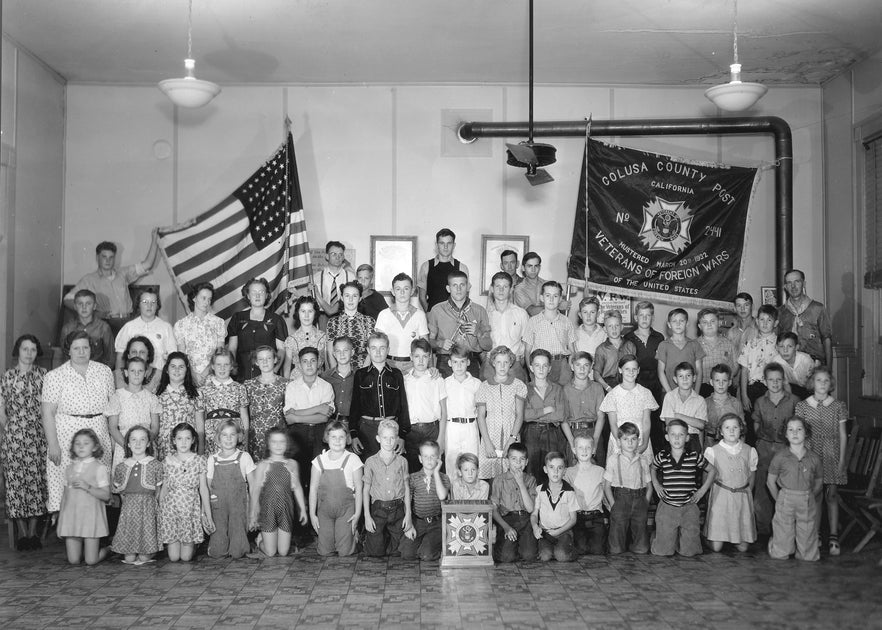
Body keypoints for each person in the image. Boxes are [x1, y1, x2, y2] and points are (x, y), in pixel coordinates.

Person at [42, 330, 115, 515]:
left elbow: (113, 408)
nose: (81, 352)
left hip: (98, 435)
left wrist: (113, 439)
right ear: (68, 350)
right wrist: (53, 445)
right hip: (67, 437)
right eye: (76, 348)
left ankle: (95, 526)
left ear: (91, 349)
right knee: (67, 484)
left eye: (85, 347)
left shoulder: (104, 371)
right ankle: (67, 525)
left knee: (97, 482)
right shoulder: (55, 376)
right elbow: (47, 413)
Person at [0, 334, 48, 550]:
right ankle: (21, 532)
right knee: (15, 483)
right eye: (25, 349)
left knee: (37, 482)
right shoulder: (7, 377)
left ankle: (33, 532)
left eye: (33, 349)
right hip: (14, 439)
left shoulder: (44, 375)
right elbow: (1, 410)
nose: (29, 353)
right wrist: (13, 429)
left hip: (38, 437)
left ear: (37, 352)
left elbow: (49, 407)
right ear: (17, 351)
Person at [794, 365, 848, 556]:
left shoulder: (838, 406)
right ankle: (815, 535)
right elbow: (799, 434)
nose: (823, 384)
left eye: (826, 380)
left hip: (832, 453)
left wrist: (842, 460)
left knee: (831, 495)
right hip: (812, 453)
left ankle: (833, 537)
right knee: (815, 495)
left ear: (830, 383)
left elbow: (843, 435)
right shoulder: (802, 406)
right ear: (812, 383)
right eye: (819, 380)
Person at [63, 235, 161, 335]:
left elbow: (147, 264)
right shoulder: (89, 279)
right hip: (107, 324)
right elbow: (67, 300)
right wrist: (91, 312)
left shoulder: (123, 273)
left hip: (129, 322)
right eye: (104, 257)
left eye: (111, 257)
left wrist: (154, 240)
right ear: (97, 258)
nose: (108, 260)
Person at [650, 419, 715, 557]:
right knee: (663, 552)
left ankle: (680, 538)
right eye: (673, 434)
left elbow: (712, 470)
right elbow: (652, 468)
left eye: (681, 435)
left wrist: (702, 491)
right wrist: (656, 484)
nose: (677, 438)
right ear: (667, 437)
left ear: (687, 438)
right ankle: (659, 537)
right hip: (668, 506)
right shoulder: (662, 456)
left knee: (690, 552)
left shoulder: (694, 457)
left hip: (688, 506)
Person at [767, 417, 823, 561]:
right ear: (785, 434)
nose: (795, 433)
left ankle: (805, 552)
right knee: (783, 530)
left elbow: (819, 481)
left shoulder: (814, 458)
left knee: (807, 530)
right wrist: (779, 499)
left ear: (806, 433)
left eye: (799, 429)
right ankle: (779, 548)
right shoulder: (780, 457)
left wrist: (809, 496)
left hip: (806, 498)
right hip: (786, 497)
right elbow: (770, 481)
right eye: (790, 430)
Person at [752, 362, 798, 537]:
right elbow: (756, 423)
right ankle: (764, 530)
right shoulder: (760, 402)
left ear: (783, 380)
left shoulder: (793, 401)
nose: (775, 383)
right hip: (764, 449)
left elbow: (799, 426)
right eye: (771, 380)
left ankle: (786, 528)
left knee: (786, 489)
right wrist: (760, 433)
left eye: (778, 379)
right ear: (765, 381)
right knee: (762, 489)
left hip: (785, 450)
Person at [349, 332, 411, 461]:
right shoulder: (360, 375)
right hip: (367, 429)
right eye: (373, 348)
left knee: (391, 466)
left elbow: (403, 406)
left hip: (392, 429)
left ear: (388, 350)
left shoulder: (396, 374)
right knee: (369, 466)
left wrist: (402, 435)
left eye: (382, 348)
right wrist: (354, 434)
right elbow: (354, 406)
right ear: (368, 350)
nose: (378, 352)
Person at [249, 428, 307, 558]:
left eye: (282, 442)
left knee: (283, 552)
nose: (278, 445)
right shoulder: (262, 465)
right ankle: (260, 540)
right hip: (268, 510)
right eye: (274, 442)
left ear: (287, 444)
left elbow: (297, 487)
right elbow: (256, 490)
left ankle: (279, 540)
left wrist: (303, 509)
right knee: (270, 552)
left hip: (286, 510)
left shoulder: (292, 464)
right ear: (268, 444)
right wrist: (253, 513)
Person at [284, 346, 335, 494]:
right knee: (299, 473)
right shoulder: (292, 386)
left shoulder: (326, 386)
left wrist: (297, 415)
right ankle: (301, 507)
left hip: (320, 431)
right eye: (305, 361)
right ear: (299, 364)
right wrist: (318, 407)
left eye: (313, 360)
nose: (309, 365)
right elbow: (289, 419)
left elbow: (324, 417)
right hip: (298, 433)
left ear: (319, 362)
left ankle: (316, 507)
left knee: (319, 472)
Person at [159, 423, 212, 562]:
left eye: (187, 438)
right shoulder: (167, 461)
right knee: (174, 558)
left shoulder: (199, 460)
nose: (183, 442)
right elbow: (164, 488)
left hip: (189, 510)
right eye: (179, 438)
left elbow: (203, 488)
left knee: (186, 557)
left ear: (193, 440)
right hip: (171, 511)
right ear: (173, 440)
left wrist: (207, 514)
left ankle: (195, 544)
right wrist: (160, 510)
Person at [56, 428, 110, 565]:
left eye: (86, 443)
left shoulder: (99, 468)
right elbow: (65, 497)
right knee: (73, 560)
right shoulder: (69, 469)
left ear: (95, 447)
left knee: (91, 561)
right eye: (77, 443)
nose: (81, 446)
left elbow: (106, 495)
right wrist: (61, 522)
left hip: (91, 518)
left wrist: (88, 487)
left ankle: (108, 549)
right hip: (72, 518)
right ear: (73, 447)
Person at [704, 414, 757, 552]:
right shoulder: (713, 451)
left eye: (735, 427)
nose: (731, 431)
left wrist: (747, 493)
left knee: (743, 548)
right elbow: (707, 478)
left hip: (741, 498)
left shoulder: (749, 450)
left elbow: (751, 475)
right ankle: (709, 537)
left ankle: (733, 537)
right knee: (716, 548)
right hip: (721, 498)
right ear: (721, 431)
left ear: (741, 429)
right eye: (727, 428)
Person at [310, 421, 363, 557]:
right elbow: (313, 489)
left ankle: (355, 537)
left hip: (346, 510)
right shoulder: (319, 461)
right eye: (333, 437)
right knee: (325, 552)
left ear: (347, 438)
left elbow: (359, 488)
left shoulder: (353, 459)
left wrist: (357, 514)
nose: (337, 441)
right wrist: (312, 514)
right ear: (327, 438)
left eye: (341, 437)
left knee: (345, 552)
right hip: (324, 511)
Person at [111, 425, 162, 565]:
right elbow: (121, 493)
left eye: (142, 439)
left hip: (148, 507)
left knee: (144, 558)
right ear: (128, 444)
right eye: (133, 440)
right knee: (129, 558)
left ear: (148, 443)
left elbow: (158, 491)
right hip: (129, 509)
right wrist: (128, 505)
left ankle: (149, 551)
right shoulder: (122, 467)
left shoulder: (155, 465)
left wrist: (154, 507)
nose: (138, 443)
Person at [428, 270, 492, 378]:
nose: (458, 289)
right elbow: (429, 341)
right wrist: (440, 344)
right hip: (445, 361)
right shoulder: (437, 310)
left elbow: (488, 346)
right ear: (448, 288)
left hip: (470, 361)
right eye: (454, 285)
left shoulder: (480, 311)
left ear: (468, 287)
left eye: (462, 285)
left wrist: (478, 333)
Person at [476, 345, 527, 480]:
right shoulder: (484, 386)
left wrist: (512, 439)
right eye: (499, 362)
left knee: (512, 475)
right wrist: (487, 442)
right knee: (490, 478)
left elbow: (519, 415)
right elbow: (481, 417)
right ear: (493, 363)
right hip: (490, 435)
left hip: (511, 434)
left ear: (511, 363)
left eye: (505, 362)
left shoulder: (518, 385)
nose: (502, 366)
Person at [207, 419, 256, 559]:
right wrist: (206, 511)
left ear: (239, 436)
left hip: (238, 505)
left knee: (238, 552)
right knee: (217, 552)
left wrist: (253, 511)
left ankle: (242, 543)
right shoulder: (212, 459)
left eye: (232, 435)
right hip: (218, 506)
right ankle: (217, 545)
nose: (228, 439)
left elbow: (253, 486)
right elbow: (208, 486)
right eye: (224, 435)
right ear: (218, 438)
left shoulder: (244, 457)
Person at [362, 419, 412, 557]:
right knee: (375, 553)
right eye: (385, 437)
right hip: (378, 509)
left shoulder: (402, 461)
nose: (388, 441)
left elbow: (407, 488)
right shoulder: (370, 462)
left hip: (397, 509)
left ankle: (389, 538)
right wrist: (367, 516)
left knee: (399, 551)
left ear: (397, 439)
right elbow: (366, 490)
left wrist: (408, 515)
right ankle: (371, 539)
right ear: (378, 438)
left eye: (392, 438)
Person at [603, 422, 652, 554]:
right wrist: (613, 505)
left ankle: (635, 544)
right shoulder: (613, 460)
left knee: (642, 548)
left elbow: (649, 486)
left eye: (633, 439)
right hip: (621, 499)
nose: (630, 443)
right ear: (619, 442)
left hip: (639, 499)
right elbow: (606, 486)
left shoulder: (643, 460)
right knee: (615, 549)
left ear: (638, 441)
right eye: (625, 439)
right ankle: (619, 544)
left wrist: (645, 503)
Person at [623, 301, 666, 452]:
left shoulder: (659, 337)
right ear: (636, 317)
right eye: (641, 315)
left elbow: (662, 364)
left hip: (655, 384)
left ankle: (656, 457)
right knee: (636, 419)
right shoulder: (628, 338)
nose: (644, 319)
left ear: (652, 318)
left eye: (648, 315)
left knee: (655, 421)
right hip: (637, 383)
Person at [599, 355, 659, 462]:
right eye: (627, 369)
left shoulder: (645, 393)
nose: (631, 372)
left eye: (634, 369)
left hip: (640, 439)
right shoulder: (613, 394)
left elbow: (646, 421)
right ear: (620, 370)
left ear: (638, 370)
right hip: (619, 440)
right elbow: (613, 423)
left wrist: (644, 444)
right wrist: (620, 443)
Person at [227, 277, 288, 382]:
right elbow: (232, 348)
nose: (258, 295)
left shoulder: (276, 320)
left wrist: (274, 371)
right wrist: (231, 369)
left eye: (261, 292)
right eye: (254, 292)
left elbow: (281, 350)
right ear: (248, 295)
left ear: (267, 295)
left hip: (267, 374)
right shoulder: (237, 318)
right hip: (241, 374)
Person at [522, 349, 568, 483]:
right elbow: (525, 415)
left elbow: (559, 415)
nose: (541, 369)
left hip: (552, 433)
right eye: (537, 365)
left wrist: (535, 413)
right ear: (531, 368)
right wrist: (546, 410)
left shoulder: (557, 389)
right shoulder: (524, 388)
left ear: (549, 368)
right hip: (531, 433)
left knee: (552, 469)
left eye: (544, 365)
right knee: (531, 471)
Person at [106, 356, 161, 469]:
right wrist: (128, 447)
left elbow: (155, 427)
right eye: (132, 371)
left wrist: (144, 445)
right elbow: (113, 428)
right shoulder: (117, 397)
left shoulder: (151, 398)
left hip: (146, 448)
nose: (136, 374)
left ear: (145, 373)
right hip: (124, 447)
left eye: (140, 371)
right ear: (126, 373)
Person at [399, 439, 450, 561]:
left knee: (427, 555)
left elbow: (442, 496)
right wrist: (409, 525)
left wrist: (436, 473)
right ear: (420, 459)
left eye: (433, 456)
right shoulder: (413, 478)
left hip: (437, 523)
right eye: (425, 456)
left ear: (439, 458)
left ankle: (432, 546)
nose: (429, 460)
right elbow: (407, 502)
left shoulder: (444, 478)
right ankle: (424, 545)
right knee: (406, 554)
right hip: (419, 522)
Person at [403, 339, 447, 472]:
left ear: (430, 357)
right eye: (417, 356)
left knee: (435, 471)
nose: (421, 361)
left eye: (425, 356)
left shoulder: (437, 379)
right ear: (411, 357)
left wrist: (441, 438)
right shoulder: (405, 380)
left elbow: (444, 412)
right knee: (413, 471)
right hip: (411, 431)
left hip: (432, 430)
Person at [491, 442, 538, 563]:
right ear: (507, 461)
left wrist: (521, 483)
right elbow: (494, 509)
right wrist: (506, 527)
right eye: (514, 459)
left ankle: (520, 545)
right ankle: (510, 546)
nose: (518, 463)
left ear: (526, 462)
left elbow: (530, 509)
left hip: (525, 519)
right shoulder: (499, 480)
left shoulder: (531, 480)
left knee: (529, 555)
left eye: (522, 459)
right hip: (507, 520)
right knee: (506, 557)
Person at [523, 281, 576, 385]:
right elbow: (527, 351)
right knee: (543, 392)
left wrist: (569, 367)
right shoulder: (533, 321)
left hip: (562, 365)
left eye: (555, 296)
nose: (551, 299)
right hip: (541, 365)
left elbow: (572, 350)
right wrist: (531, 371)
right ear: (542, 298)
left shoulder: (566, 321)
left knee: (562, 393)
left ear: (560, 299)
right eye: (548, 295)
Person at [114, 287, 177, 374]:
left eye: (153, 302)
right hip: (135, 376)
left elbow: (173, 357)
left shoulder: (166, 327)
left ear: (157, 305)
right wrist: (119, 377)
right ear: (138, 304)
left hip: (159, 375)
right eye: (145, 302)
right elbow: (120, 357)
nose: (149, 305)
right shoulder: (129, 327)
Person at [173, 282, 226, 386]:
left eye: (209, 299)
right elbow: (182, 355)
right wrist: (193, 374)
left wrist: (206, 372)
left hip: (213, 376)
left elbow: (219, 352)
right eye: (203, 298)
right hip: (189, 377)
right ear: (194, 298)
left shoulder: (218, 322)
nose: (206, 302)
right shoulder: (181, 324)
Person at [778, 269, 833, 367]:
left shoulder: (818, 308)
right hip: (789, 366)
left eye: (797, 281)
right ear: (785, 287)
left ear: (804, 284)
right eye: (789, 283)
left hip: (815, 364)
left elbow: (827, 339)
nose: (793, 286)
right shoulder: (780, 312)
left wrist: (828, 368)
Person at [374, 273, 428, 372]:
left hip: (412, 365)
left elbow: (425, 346)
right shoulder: (384, 314)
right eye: (398, 289)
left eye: (406, 288)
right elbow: (378, 343)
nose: (402, 292)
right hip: (389, 363)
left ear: (412, 291)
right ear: (393, 292)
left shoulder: (419, 315)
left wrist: (429, 367)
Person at [531, 451, 578, 562]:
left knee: (562, 556)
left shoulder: (569, 491)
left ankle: (569, 549)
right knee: (544, 556)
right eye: (551, 467)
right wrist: (535, 527)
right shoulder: (539, 490)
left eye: (560, 468)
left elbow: (573, 519)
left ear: (565, 471)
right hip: (546, 532)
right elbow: (534, 514)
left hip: (563, 532)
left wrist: (558, 532)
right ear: (545, 469)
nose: (555, 471)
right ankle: (554, 549)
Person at [155, 352, 204, 460]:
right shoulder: (157, 395)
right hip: (165, 450)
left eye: (181, 367)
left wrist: (201, 452)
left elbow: (200, 427)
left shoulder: (196, 395)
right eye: (173, 366)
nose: (177, 370)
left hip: (189, 450)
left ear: (186, 370)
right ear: (167, 370)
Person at [200, 349, 249, 455]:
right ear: (212, 366)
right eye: (218, 364)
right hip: (212, 436)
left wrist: (245, 438)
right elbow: (202, 418)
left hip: (234, 436)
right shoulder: (203, 390)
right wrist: (202, 444)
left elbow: (244, 416)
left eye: (226, 364)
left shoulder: (240, 388)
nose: (222, 368)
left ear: (231, 366)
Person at [443, 345, 482, 474]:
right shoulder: (445, 383)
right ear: (450, 363)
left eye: (462, 362)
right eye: (455, 362)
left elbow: (481, 410)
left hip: (470, 427)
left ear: (468, 362)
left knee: (472, 464)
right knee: (452, 467)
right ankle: (452, 488)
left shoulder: (476, 384)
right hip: (452, 428)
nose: (459, 366)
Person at [564, 435, 606, 555]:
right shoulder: (568, 472)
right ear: (574, 450)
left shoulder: (600, 471)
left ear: (593, 450)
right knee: (581, 550)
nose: (584, 451)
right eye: (580, 447)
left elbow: (606, 493)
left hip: (596, 517)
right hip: (578, 518)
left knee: (598, 551)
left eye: (588, 447)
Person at [484, 271, 529, 382]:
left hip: (515, 366)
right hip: (491, 366)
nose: (501, 290)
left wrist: (519, 362)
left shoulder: (521, 314)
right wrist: (486, 360)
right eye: (498, 286)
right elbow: (481, 343)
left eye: (505, 287)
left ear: (511, 289)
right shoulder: (485, 315)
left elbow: (527, 342)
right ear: (492, 289)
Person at [562, 352, 605, 465]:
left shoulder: (597, 388)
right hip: (574, 433)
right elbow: (564, 420)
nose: (582, 369)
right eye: (578, 365)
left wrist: (595, 441)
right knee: (574, 469)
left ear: (591, 368)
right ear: (572, 367)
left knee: (596, 468)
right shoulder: (565, 390)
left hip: (594, 431)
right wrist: (572, 442)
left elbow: (601, 416)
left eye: (586, 365)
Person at [245, 346, 287, 460]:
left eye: (268, 358)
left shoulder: (285, 383)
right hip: (255, 435)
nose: (265, 362)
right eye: (261, 359)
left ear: (275, 360)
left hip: (277, 435)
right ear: (256, 362)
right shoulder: (248, 385)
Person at [738, 304, 781, 413]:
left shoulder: (780, 345)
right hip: (752, 389)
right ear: (757, 321)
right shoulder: (750, 344)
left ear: (776, 323)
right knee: (752, 419)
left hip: (772, 390)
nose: (765, 323)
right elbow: (744, 371)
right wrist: (744, 395)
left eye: (769, 320)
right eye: (762, 319)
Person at [660, 361, 707, 453]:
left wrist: (678, 415)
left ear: (694, 378)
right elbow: (669, 422)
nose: (685, 379)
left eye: (688, 376)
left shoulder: (700, 400)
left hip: (692, 439)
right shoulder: (670, 397)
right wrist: (692, 421)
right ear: (675, 379)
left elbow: (701, 425)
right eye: (681, 376)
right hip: (674, 438)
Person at [327, 281, 376, 369]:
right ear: (342, 298)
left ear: (360, 298)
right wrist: (336, 374)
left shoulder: (369, 321)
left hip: (363, 370)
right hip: (340, 371)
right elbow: (330, 352)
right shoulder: (333, 322)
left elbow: (372, 350)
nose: (350, 299)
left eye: (355, 296)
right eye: (347, 296)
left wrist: (363, 373)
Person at [60, 289, 115, 368]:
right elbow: (65, 357)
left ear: (94, 306)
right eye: (80, 304)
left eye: (88, 303)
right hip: (74, 372)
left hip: (98, 372)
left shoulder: (103, 328)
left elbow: (110, 357)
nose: (84, 307)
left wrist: (103, 372)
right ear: (75, 306)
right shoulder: (67, 329)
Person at [418, 228, 469, 312]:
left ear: (454, 245)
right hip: (433, 316)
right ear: (436, 245)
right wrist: (429, 314)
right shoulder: (426, 266)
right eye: (442, 243)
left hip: (455, 317)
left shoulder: (462, 267)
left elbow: (465, 296)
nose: (445, 247)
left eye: (449, 243)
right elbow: (422, 297)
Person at [656, 308, 705, 393]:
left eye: (681, 321)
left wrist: (696, 393)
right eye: (674, 321)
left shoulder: (694, 344)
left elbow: (699, 371)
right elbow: (660, 371)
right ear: (669, 325)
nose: (678, 324)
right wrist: (670, 393)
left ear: (687, 324)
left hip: (690, 393)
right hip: (669, 392)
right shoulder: (663, 345)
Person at [696, 307, 738, 397]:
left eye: (712, 321)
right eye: (705, 322)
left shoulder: (728, 344)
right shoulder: (694, 345)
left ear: (719, 323)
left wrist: (726, 379)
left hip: (725, 388)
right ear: (699, 326)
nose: (709, 325)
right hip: (703, 388)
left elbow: (735, 366)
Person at [311, 241, 356, 322]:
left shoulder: (350, 277)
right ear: (327, 256)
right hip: (321, 318)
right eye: (333, 254)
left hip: (344, 317)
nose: (337, 257)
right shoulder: (316, 277)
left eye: (340, 254)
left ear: (343, 257)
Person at [284, 295, 327, 378]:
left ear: (315, 313)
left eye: (310, 311)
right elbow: (287, 368)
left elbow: (328, 366)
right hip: (296, 381)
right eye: (303, 311)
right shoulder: (291, 340)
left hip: (318, 380)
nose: (306, 315)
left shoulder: (324, 337)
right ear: (298, 313)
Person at [592, 310, 636, 392]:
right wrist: (607, 388)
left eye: (617, 325)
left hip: (627, 385)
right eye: (610, 326)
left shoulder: (630, 346)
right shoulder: (601, 349)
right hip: (608, 387)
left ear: (622, 327)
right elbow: (596, 374)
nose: (614, 329)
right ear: (605, 329)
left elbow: (635, 369)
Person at [704, 363, 743, 449]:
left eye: (724, 381)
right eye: (717, 380)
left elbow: (742, 430)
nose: (721, 384)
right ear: (711, 382)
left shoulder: (736, 403)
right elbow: (701, 429)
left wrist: (740, 449)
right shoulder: (704, 403)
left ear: (730, 382)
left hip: (732, 447)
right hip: (711, 447)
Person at [323, 336, 356, 427]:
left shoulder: (359, 376)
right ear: (334, 354)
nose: (342, 354)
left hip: (352, 423)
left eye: (346, 350)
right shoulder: (325, 376)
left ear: (352, 352)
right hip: (330, 423)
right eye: (338, 351)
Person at [776, 332, 813, 399]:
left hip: (810, 389)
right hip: (792, 389)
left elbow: (814, 382)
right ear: (777, 348)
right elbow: (784, 385)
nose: (785, 350)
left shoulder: (806, 360)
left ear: (796, 347)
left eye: (789, 346)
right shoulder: (776, 362)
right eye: (781, 346)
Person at [513, 252, 546, 316]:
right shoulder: (519, 289)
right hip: (528, 322)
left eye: (536, 266)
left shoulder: (547, 285)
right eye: (529, 266)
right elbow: (532, 311)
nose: (533, 269)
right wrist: (556, 306)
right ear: (523, 268)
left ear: (539, 267)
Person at [727, 292, 758, 358]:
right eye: (739, 305)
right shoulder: (731, 332)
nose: (742, 309)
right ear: (735, 308)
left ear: (752, 307)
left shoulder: (760, 328)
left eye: (746, 305)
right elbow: (728, 355)